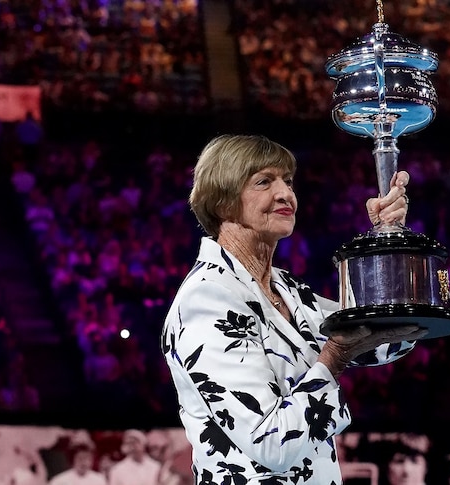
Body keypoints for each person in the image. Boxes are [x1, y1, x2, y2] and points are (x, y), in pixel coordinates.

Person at [161, 134, 426, 484]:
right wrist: (333, 357)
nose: (285, 193)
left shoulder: (286, 289)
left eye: (287, 180)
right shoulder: (207, 299)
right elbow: (272, 442)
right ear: (222, 201)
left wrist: (388, 235)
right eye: (264, 181)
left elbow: (388, 338)